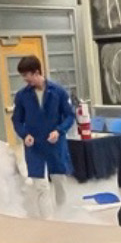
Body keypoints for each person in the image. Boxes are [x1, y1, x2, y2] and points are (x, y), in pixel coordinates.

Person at [9, 56, 75, 208]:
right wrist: (25, 134)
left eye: (27, 75)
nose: (25, 79)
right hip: (34, 147)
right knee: (41, 186)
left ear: (37, 72)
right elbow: (17, 120)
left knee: (59, 182)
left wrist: (59, 131)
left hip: (55, 144)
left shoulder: (58, 92)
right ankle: (47, 222)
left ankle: (63, 217)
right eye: (23, 76)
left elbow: (70, 116)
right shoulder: (22, 96)